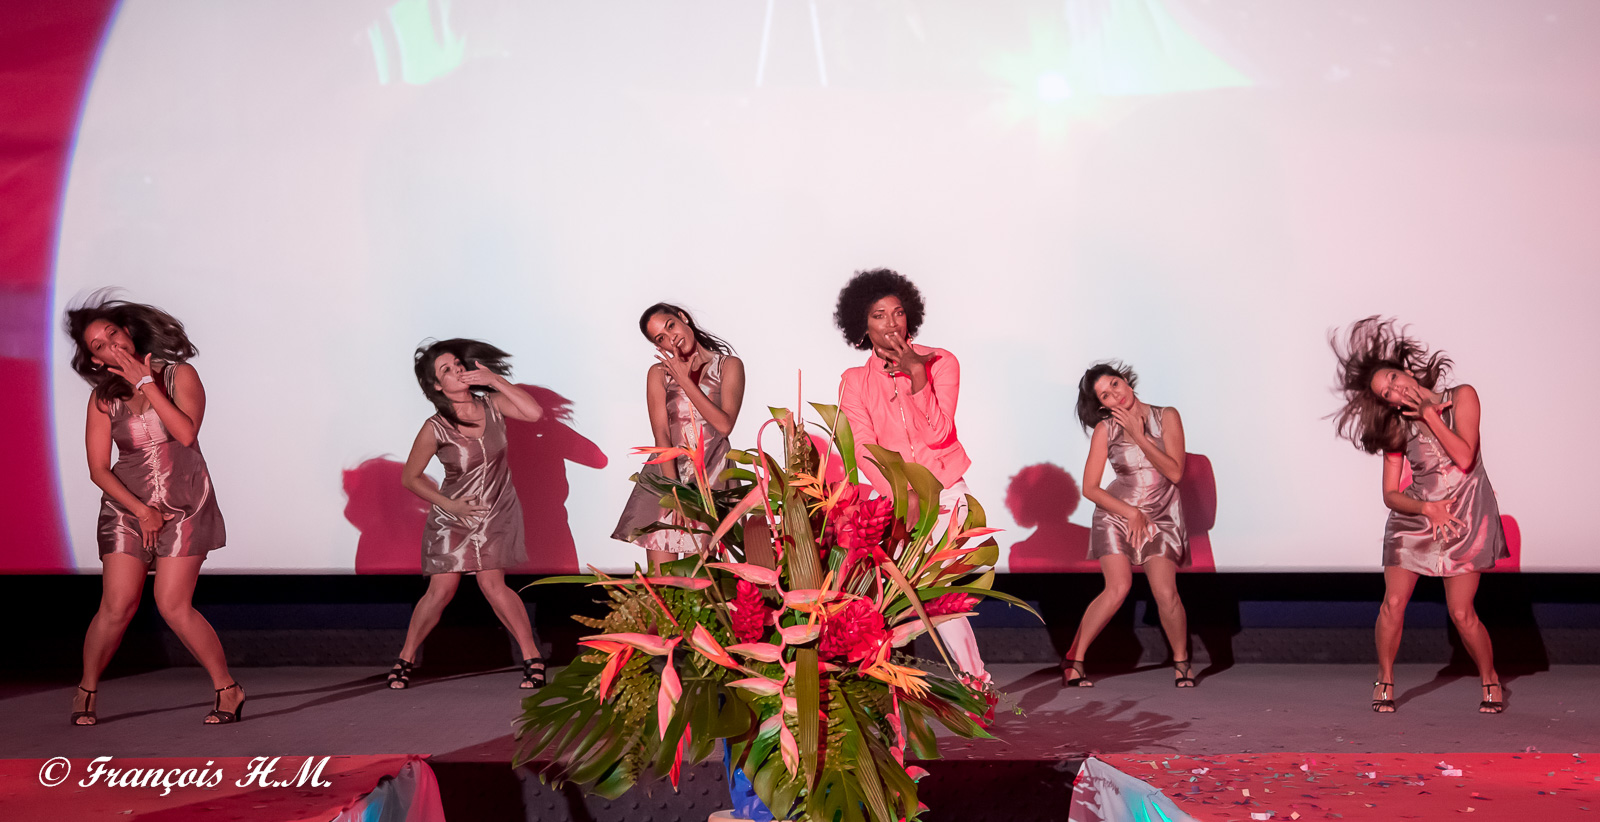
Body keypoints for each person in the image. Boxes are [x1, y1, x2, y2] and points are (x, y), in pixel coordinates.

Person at [64, 292, 241, 725]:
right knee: (117, 605)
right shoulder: (103, 398)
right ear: (96, 359)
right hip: (128, 506)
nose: (111, 345)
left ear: (128, 332)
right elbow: (98, 469)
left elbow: (185, 434)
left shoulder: (180, 375)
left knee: (172, 604)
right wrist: (141, 511)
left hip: (185, 502)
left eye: (113, 334)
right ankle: (86, 688)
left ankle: (228, 688)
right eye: (99, 345)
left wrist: (146, 382)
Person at [1332, 317, 1506, 713]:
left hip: (1464, 516)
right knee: (1393, 603)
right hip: (1416, 518)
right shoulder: (1396, 427)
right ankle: (1385, 679)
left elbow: (1465, 458)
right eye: (1387, 393)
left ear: (1406, 371)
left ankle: (1490, 678)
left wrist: (1429, 414)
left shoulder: (1462, 396)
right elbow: (1390, 494)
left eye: (1393, 379)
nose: (1395, 390)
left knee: (1462, 613)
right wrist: (1426, 508)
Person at [833, 269, 987, 684]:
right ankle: (898, 689)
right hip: (897, 500)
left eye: (898, 312)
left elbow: (939, 434)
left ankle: (976, 683)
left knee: (941, 591)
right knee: (903, 598)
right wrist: (903, 496)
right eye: (879, 315)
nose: (891, 323)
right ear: (862, 326)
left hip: (948, 492)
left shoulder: (941, 362)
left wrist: (918, 375)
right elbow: (863, 450)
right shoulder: (854, 382)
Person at [386, 339, 547, 690]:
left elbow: (534, 413)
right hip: (453, 515)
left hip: (495, 509)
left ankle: (533, 658)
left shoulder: (493, 404)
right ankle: (405, 657)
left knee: (493, 584)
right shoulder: (435, 426)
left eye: (458, 364)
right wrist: (451, 506)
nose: (457, 370)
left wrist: (495, 380)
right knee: (440, 591)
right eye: (447, 370)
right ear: (436, 386)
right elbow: (410, 477)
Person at [1059, 362, 1194, 688]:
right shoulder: (1105, 429)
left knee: (1165, 592)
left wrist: (1139, 435)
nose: (1115, 395)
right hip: (1117, 513)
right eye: (1105, 395)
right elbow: (1090, 488)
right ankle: (1074, 660)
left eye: (1115, 385)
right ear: (1102, 405)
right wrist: (1130, 513)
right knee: (1118, 588)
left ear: (1125, 380)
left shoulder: (1167, 416)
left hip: (1161, 514)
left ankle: (1181, 662)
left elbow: (1175, 473)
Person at [612, 303, 745, 569]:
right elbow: (661, 434)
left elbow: (724, 426)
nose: (671, 338)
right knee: (663, 583)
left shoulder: (729, 365)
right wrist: (675, 492)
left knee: (702, 580)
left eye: (670, 326)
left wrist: (685, 380)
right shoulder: (658, 374)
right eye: (660, 338)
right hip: (668, 476)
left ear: (683, 317)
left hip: (712, 477)